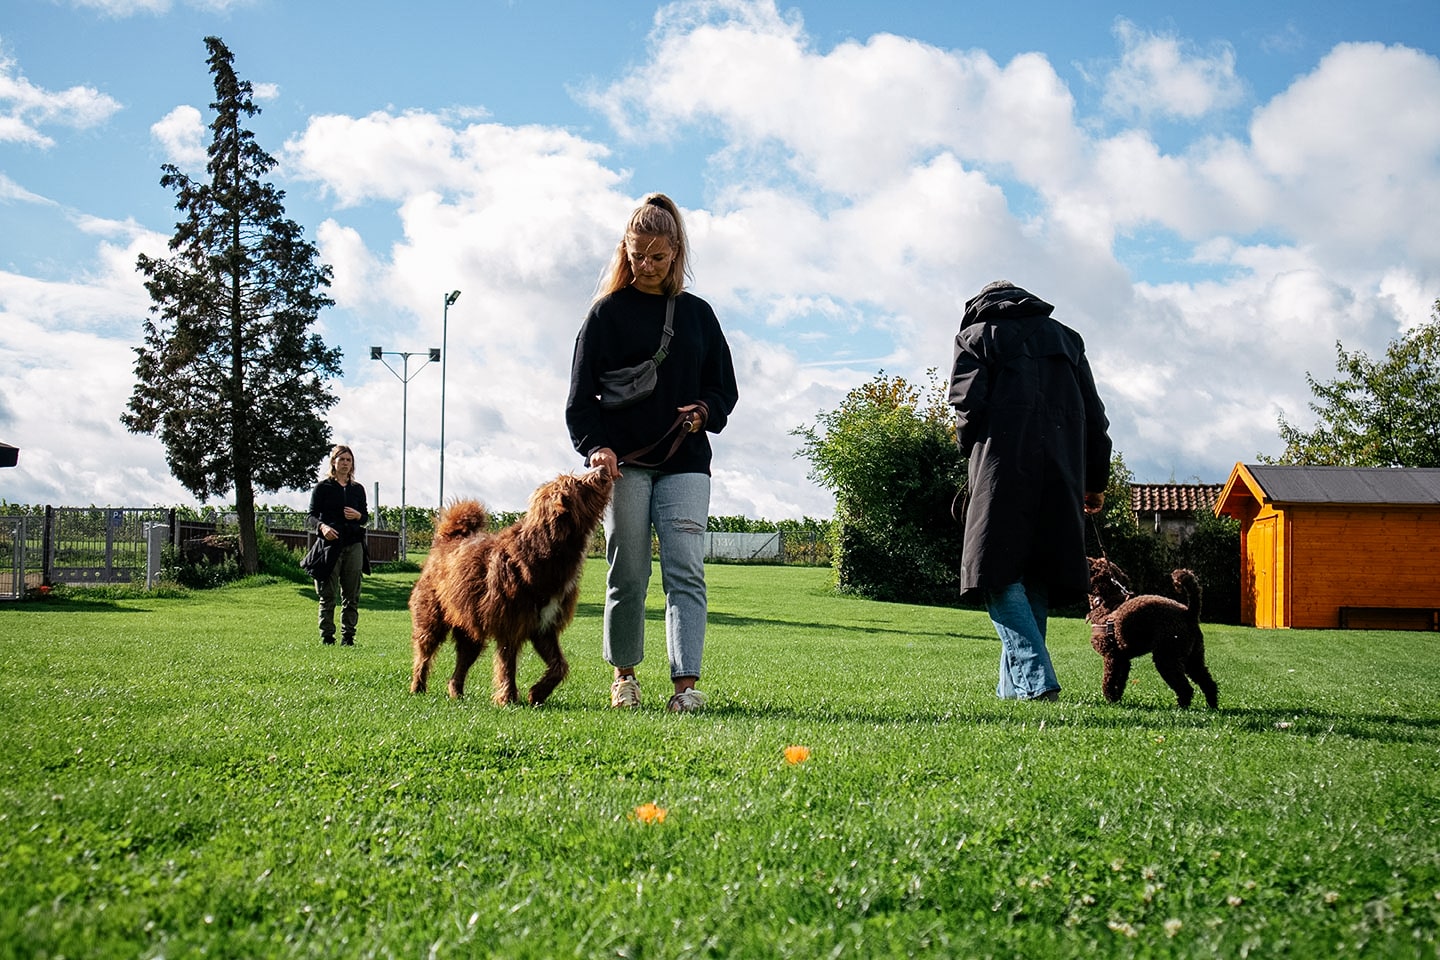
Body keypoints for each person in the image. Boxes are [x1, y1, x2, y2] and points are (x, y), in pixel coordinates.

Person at [566, 193, 739, 712]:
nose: (646, 266)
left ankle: (686, 689)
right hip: (625, 468)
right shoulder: (605, 315)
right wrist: (596, 448)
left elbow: (724, 387)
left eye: (657, 257)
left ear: (677, 253)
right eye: (637, 255)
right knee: (628, 572)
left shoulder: (698, 316)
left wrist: (705, 410)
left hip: (686, 463)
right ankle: (625, 678)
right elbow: (579, 402)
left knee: (685, 570)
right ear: (625, 250)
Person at [948, 281, 1112, 701]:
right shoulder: (1067, 339)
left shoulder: (976, 337)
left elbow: (967, 406)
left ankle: (1038, 684)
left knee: (994, 575)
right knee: (1036, 575)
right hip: (1063, 471)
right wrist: (1095, 483)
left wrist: (970, 449)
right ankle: (1014, 694)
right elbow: (1096, 418)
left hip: (1002, 467)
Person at [307, 444, 369, 646]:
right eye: (341, 459)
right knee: (328, 594)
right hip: (330, 546)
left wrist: (359, 515)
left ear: (352, 464)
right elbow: (311, 516)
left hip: (353, 544)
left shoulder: (358, 489)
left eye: (348, 460)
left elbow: (365, 517)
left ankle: (348, 637)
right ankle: (327, 637)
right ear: (333, 462)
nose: (345, 463)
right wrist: (323, 528)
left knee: (352, 595)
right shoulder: (323, 488)